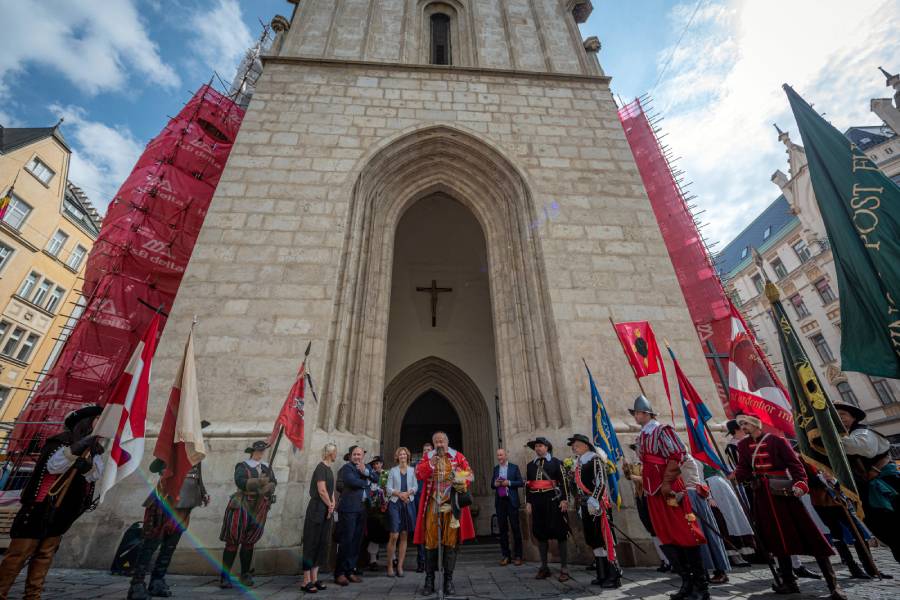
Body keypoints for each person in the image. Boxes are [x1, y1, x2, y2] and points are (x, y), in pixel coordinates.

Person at [733, 414, 845, 599]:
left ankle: (832, 584)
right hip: (762, 496)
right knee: (774, 538)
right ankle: (788, 582)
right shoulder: (742, 445)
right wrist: (739, 475)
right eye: (741, 424)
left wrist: (801, 483)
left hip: (783, 494)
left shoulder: (777, 441)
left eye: (745, 423)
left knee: (809, 534)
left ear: (755, 424)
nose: (743, 427)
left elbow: (795, 465)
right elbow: (744, 468)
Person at [0, 406, 105, 600]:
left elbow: (94, 476)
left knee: (44, 555)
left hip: (63, 511)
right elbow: (53, 466)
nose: (102, 422)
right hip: (39, 507)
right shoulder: (60, 442)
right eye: (98, 418)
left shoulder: (95, 451)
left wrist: (87, 465)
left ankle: (33, 595)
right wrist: (77, 448)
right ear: (85, 422)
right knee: (18, 555)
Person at [631, 395, 709, 600]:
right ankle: (686, 582)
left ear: (646, 413)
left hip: (669, 489)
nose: (635, 416)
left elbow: (677, 455)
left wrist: (666, 483)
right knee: (665, 535)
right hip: (652, 491)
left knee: (684, 532)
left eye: (637, 413)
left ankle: (701, 586)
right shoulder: (642, 435)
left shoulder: (662, 430)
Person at [128, 421, 211, 600]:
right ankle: (137, 584)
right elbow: (154, 467)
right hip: (165, 501)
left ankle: (157, 580)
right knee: (151, 543)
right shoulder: (174, 448)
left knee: (170, 546)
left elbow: (198, 476)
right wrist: (169, 457)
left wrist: (203, 493)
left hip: (186, 502)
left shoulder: (196, 453)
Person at [835, 401, 900, 565]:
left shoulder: (863, 432)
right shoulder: (846, 435)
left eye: (842, 415)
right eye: (835, 416)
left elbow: (861, 448)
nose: (839, 419)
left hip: (888, 487)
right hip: (867, 491)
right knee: (888, 533)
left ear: (853, 417)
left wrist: (826, 438)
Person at [414, 431, 475, 596]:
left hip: (451, 504)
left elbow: (470, 475)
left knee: (450, 541)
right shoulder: (428, 457)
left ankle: (448, 580)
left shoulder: (458, 457)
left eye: (442, 441)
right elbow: (418, 474)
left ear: (447, 442)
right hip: (433, 503)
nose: (440, 444)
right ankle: (429, 580)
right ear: (433, 443)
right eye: (437, 442)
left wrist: (457, 477)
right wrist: (430, 465)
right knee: (430, 541)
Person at [219, 440, 277, 588]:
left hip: (259, 506)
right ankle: (225, 576)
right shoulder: (243, 466)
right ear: (252, 452)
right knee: (233, 541)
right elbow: (240, 481)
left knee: (249, 542)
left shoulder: (266, 467)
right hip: (242, 504)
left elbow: (273, 482)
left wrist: (269, 486)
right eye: (257, 452)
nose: (260, 454)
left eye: (262, 452)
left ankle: (245, 574)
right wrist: (257, 482)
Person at [567, 433, 621, 588]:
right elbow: (577, 487)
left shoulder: (594, 459)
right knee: (593, 539)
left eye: (576, 444)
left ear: (585, 445)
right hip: (585, 505)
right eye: (573, 445)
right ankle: (602, 574)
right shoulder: (578, 463)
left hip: (596, 505)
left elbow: (600, 482)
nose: (574, 447)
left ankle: (614, 575)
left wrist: (594, 499)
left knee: (604, 539)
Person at [525, 436, 570, 582]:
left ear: (547, 447)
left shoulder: (557, 463)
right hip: (537, 503)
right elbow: (528, 485)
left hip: (553, 501)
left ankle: (564, 568)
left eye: (540, 445)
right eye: (536, 446)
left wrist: (564, 499)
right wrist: (528, 502)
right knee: (540, 533)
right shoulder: (530, 465)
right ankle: (544, 567)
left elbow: (564, 482)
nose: (537, 448)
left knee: (561, 533)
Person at [681, 454, 730, 584]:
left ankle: (719, 570)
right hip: (687, 498)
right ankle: (702, 570)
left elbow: (699, 481)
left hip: (693, 497)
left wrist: (708, 498)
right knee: (695, 536)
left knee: (706, 535)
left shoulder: (689, 460)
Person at [335, 445, 378, 586]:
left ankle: (350, 571)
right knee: (346, 541)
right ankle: (340, 573)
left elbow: (376, 478)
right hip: (349, 510)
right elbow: (351, 482)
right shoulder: (347, 468)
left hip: (361, 509)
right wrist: (367, 481)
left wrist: (366, 472)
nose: (357, 457)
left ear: (363, 456)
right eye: (354, 454)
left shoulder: (365, 468)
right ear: (350, 455)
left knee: (356, 542)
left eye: (359, 454)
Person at [624, 444, 671, 573]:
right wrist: (627, 470)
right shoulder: (637, 464)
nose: (636, 452)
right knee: (651, 530)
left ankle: (670, 559)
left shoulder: (651, 463)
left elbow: (651, 480)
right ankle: (664, 559)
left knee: (659, 529)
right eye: (634, 450)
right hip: (641, 498)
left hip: (652, 498)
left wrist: (633, 477)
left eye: (637, 449)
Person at [300, 443, 337, 594]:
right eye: (335, 452)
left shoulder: (329, 469)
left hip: (326, 510)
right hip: (317, 510)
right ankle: (305, 580)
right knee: (311, 542)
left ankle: (315, 578)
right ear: (329, 453)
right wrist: (329, 505)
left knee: (322, 543)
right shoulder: (321, 468)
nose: (336, 455)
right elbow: (321, 490)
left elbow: (330, 490)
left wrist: (333, 503)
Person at [702, 464, 754, 568]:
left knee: (735, 520)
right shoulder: (698, 459)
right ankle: (733, 555)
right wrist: (709, 497)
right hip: (714, 490)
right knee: (724, 522)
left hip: (725, 488)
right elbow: (699, 479)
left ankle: (741, 553)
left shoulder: (713, 458)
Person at [386, 447, 418, 577]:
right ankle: (389, 566)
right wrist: (399, 494)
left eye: (404, 454)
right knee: (394, 535)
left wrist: (408, 493)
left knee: (404, 535)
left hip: (408, 503)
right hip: (395, 503)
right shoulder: (392, 471)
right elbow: (388, 488)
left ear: (407, 456)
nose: (402, 456)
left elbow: (415, 486)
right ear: (397, 457)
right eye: (400, 454)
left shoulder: (412, 470)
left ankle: (399, 566)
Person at [492, 448, 524, 566]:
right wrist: (495, 484)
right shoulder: (496, 469)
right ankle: (506, 556)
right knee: (502, 530)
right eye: (498, 455)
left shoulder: (514, 467)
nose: (499, 457)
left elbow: (520, 482)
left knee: (515, 528)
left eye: (501, 455)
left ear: (506, 455)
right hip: (500, 502)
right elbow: (492, 484)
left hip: (512, 502)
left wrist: (508, 483)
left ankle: (518, 556)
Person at [364, 456, 389, 571]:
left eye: (378, 463)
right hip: (373, 510)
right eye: (374, 464)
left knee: (388, 534)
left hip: (386, 509)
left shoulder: (387, 474)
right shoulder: (369, 475)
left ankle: (392, 558)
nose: (376, 466)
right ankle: (373, 560)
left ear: (382, 464)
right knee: (374, 534)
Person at [414, 442, 433, 573]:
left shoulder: (437, 464)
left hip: (432, 500)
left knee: (432, 531)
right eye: (425, 450)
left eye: (429, 450)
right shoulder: (417, 465)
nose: (427, 451)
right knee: (421, 530)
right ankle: (421, 562)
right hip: (418, 500)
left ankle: (432, 562)